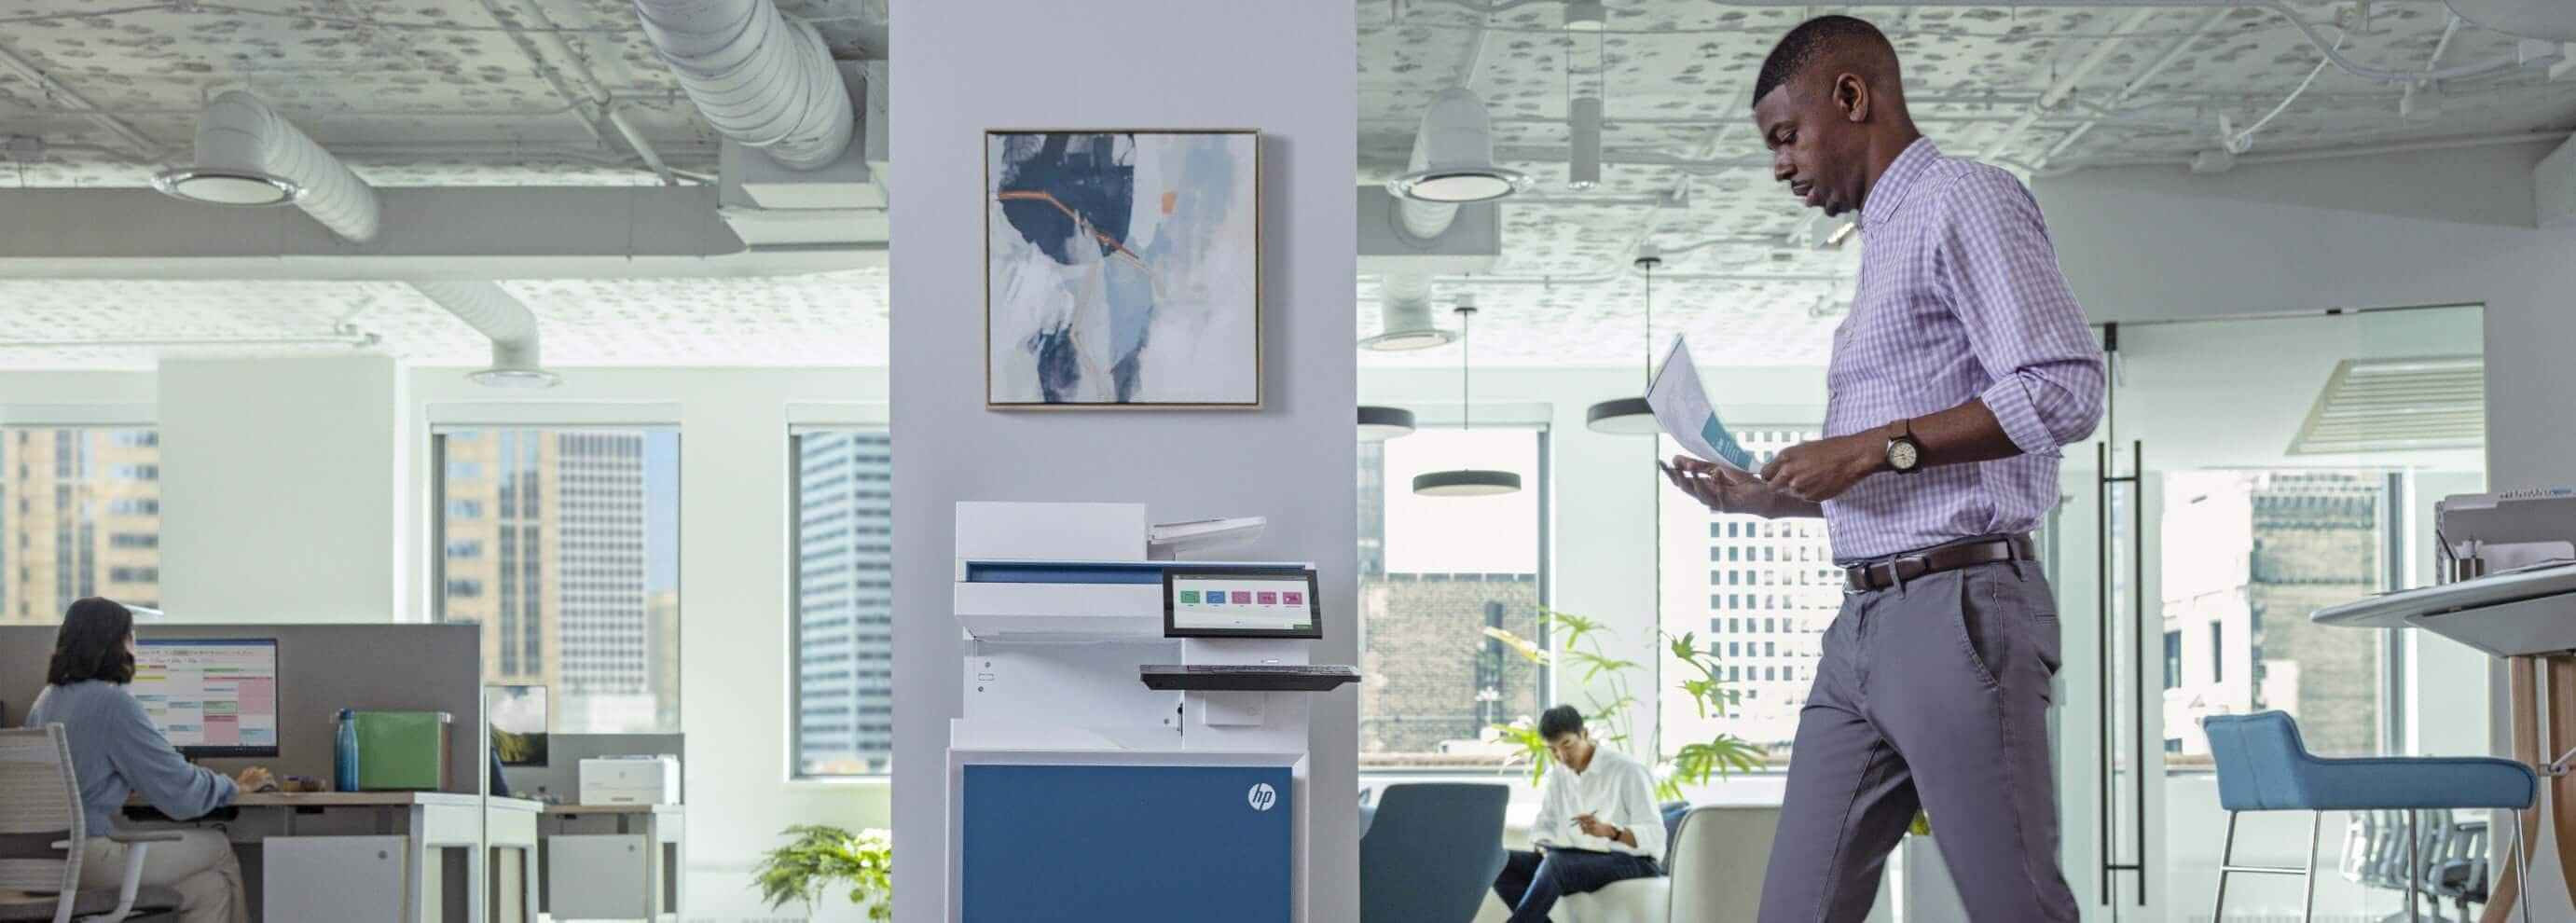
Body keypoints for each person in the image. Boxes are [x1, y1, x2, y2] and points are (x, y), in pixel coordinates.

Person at [1660, 15, 2104, 923]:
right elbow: (1907, 481)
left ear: (1852, 98)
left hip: (1960, 615)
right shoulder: (1882, 245)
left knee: (2013, 905)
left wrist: (1869, 445)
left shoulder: (1965, 200)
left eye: (1786, 137)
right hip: (1861, 624)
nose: (1780, 165)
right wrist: (1771, 500)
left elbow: (2064, 391)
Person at [22, 599, 270, 923]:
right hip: (88, 858)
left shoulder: (44, 702)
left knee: (209, 888)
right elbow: (182, 795)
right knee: (219, 847)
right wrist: (233, 786)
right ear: (115, 644)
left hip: (39, 864)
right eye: (131, 636)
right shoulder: (113, 704)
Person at [1491, 705, 1666, 923]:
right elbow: (1544, 823)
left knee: (1557, 864)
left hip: (1633, 861)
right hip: (1580, 859)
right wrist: (1543, 842)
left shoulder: (1628, 771)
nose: (1561, 755)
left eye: (1567, 744)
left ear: (1584, 734)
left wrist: (1610, 831)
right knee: (1498, 861)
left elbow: (1657, 837)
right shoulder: (1559, 776)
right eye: (1552, 749)